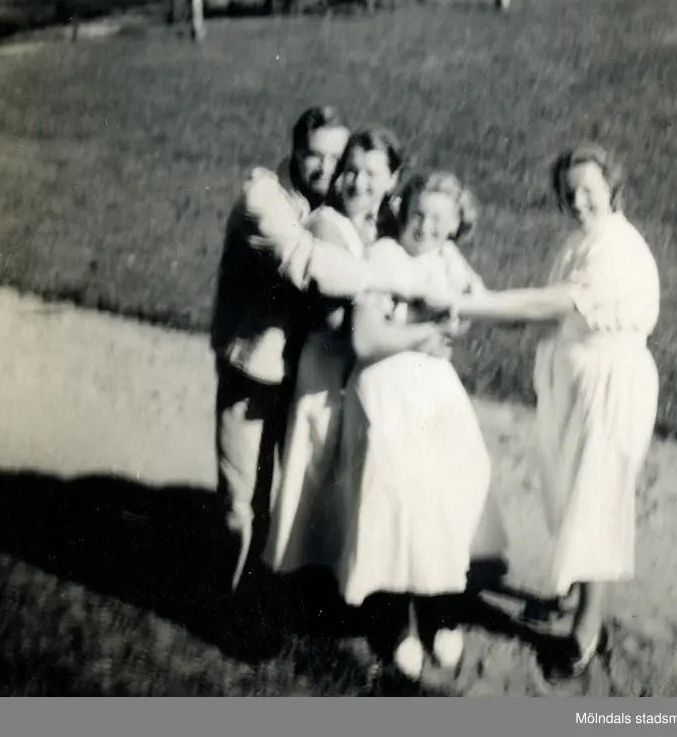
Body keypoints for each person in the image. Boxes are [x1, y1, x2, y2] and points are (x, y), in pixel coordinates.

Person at [211, 109, 456, 593]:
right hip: (255, 369)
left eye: (335, 158)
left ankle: (278, 592)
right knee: (244, 501)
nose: (326, 168)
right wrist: (400, 287)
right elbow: (311, 266)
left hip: (305, 371)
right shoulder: (264, 199)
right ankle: (230, 604)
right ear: (293, 151)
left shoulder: (344, 207)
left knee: (303, 488)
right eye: (314, 155)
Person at [451, 144, 660, 681]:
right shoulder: (577, 243)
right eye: (570, 192)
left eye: (589, 189)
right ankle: (568, 592)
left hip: (610, 383)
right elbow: (541, 317)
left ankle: (587, 626)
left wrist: (473, 304)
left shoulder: (617, 247)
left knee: (595, 497)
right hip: (574, 381)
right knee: (565, 490)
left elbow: (551, 305)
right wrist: (479, 296)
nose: (578, 200)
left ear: (612, 186)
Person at [335, 171, 509, 681]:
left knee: (451, 481)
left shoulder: (445, 256)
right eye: (419, 213)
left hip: (430, 383)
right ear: (403, 210)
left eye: (439, 219)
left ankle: (440, 610)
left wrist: (458, 316)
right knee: (397, 493)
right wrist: (428, 330)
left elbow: (476, 302)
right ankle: (397, 621)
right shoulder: (384, 256)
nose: (427, 226)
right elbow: (365, 341)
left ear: (455, 225)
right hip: (385, 382)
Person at [266, 127, 421, 576]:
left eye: (372, 173)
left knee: (354, 478)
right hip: (327, 370)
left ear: (393, 179)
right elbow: (341, 323)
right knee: (315, 471)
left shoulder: (384, 228)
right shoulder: (326, 226)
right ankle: (294, 579)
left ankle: (341, 575)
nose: (358, 182)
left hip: (362, 372)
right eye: (351, 170)